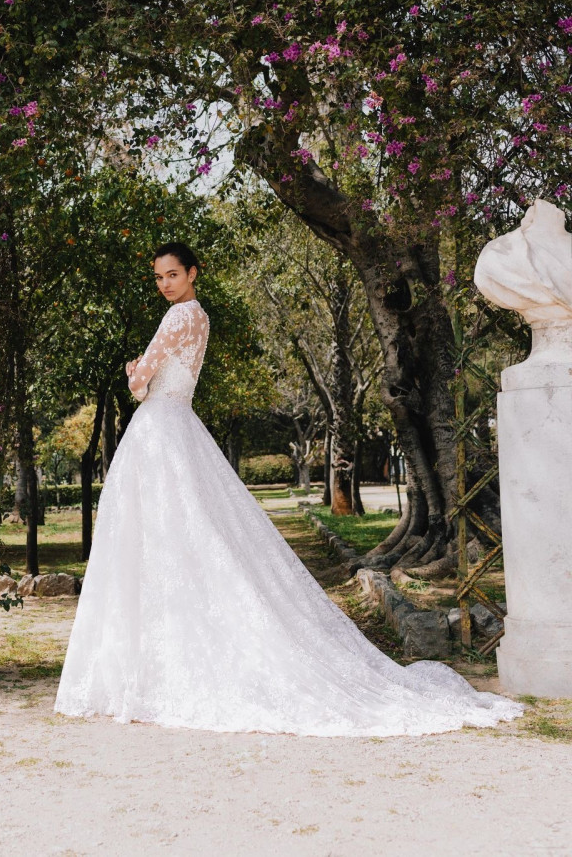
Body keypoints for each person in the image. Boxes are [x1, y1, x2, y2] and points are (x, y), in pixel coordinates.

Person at [54, 242, 522, 736]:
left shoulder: (175, 320)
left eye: (172, 274)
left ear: (193, 273)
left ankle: (146, 667)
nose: (165, 284)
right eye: (158, 277)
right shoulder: (202, 319)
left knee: (160, 539)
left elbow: (140, 382)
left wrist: (133, 372)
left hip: (159, 430)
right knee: (185, 537)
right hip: (180, 426)